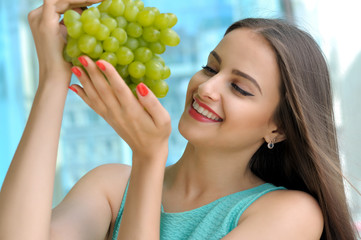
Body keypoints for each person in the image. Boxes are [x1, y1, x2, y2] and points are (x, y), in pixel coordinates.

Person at [0, 0, 358, 239]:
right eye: (210, 67)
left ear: (277, 127)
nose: (207, 87)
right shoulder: (110, 187)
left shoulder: (291, 214)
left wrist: (148, 157)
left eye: (239, 88)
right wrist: (53, 78)